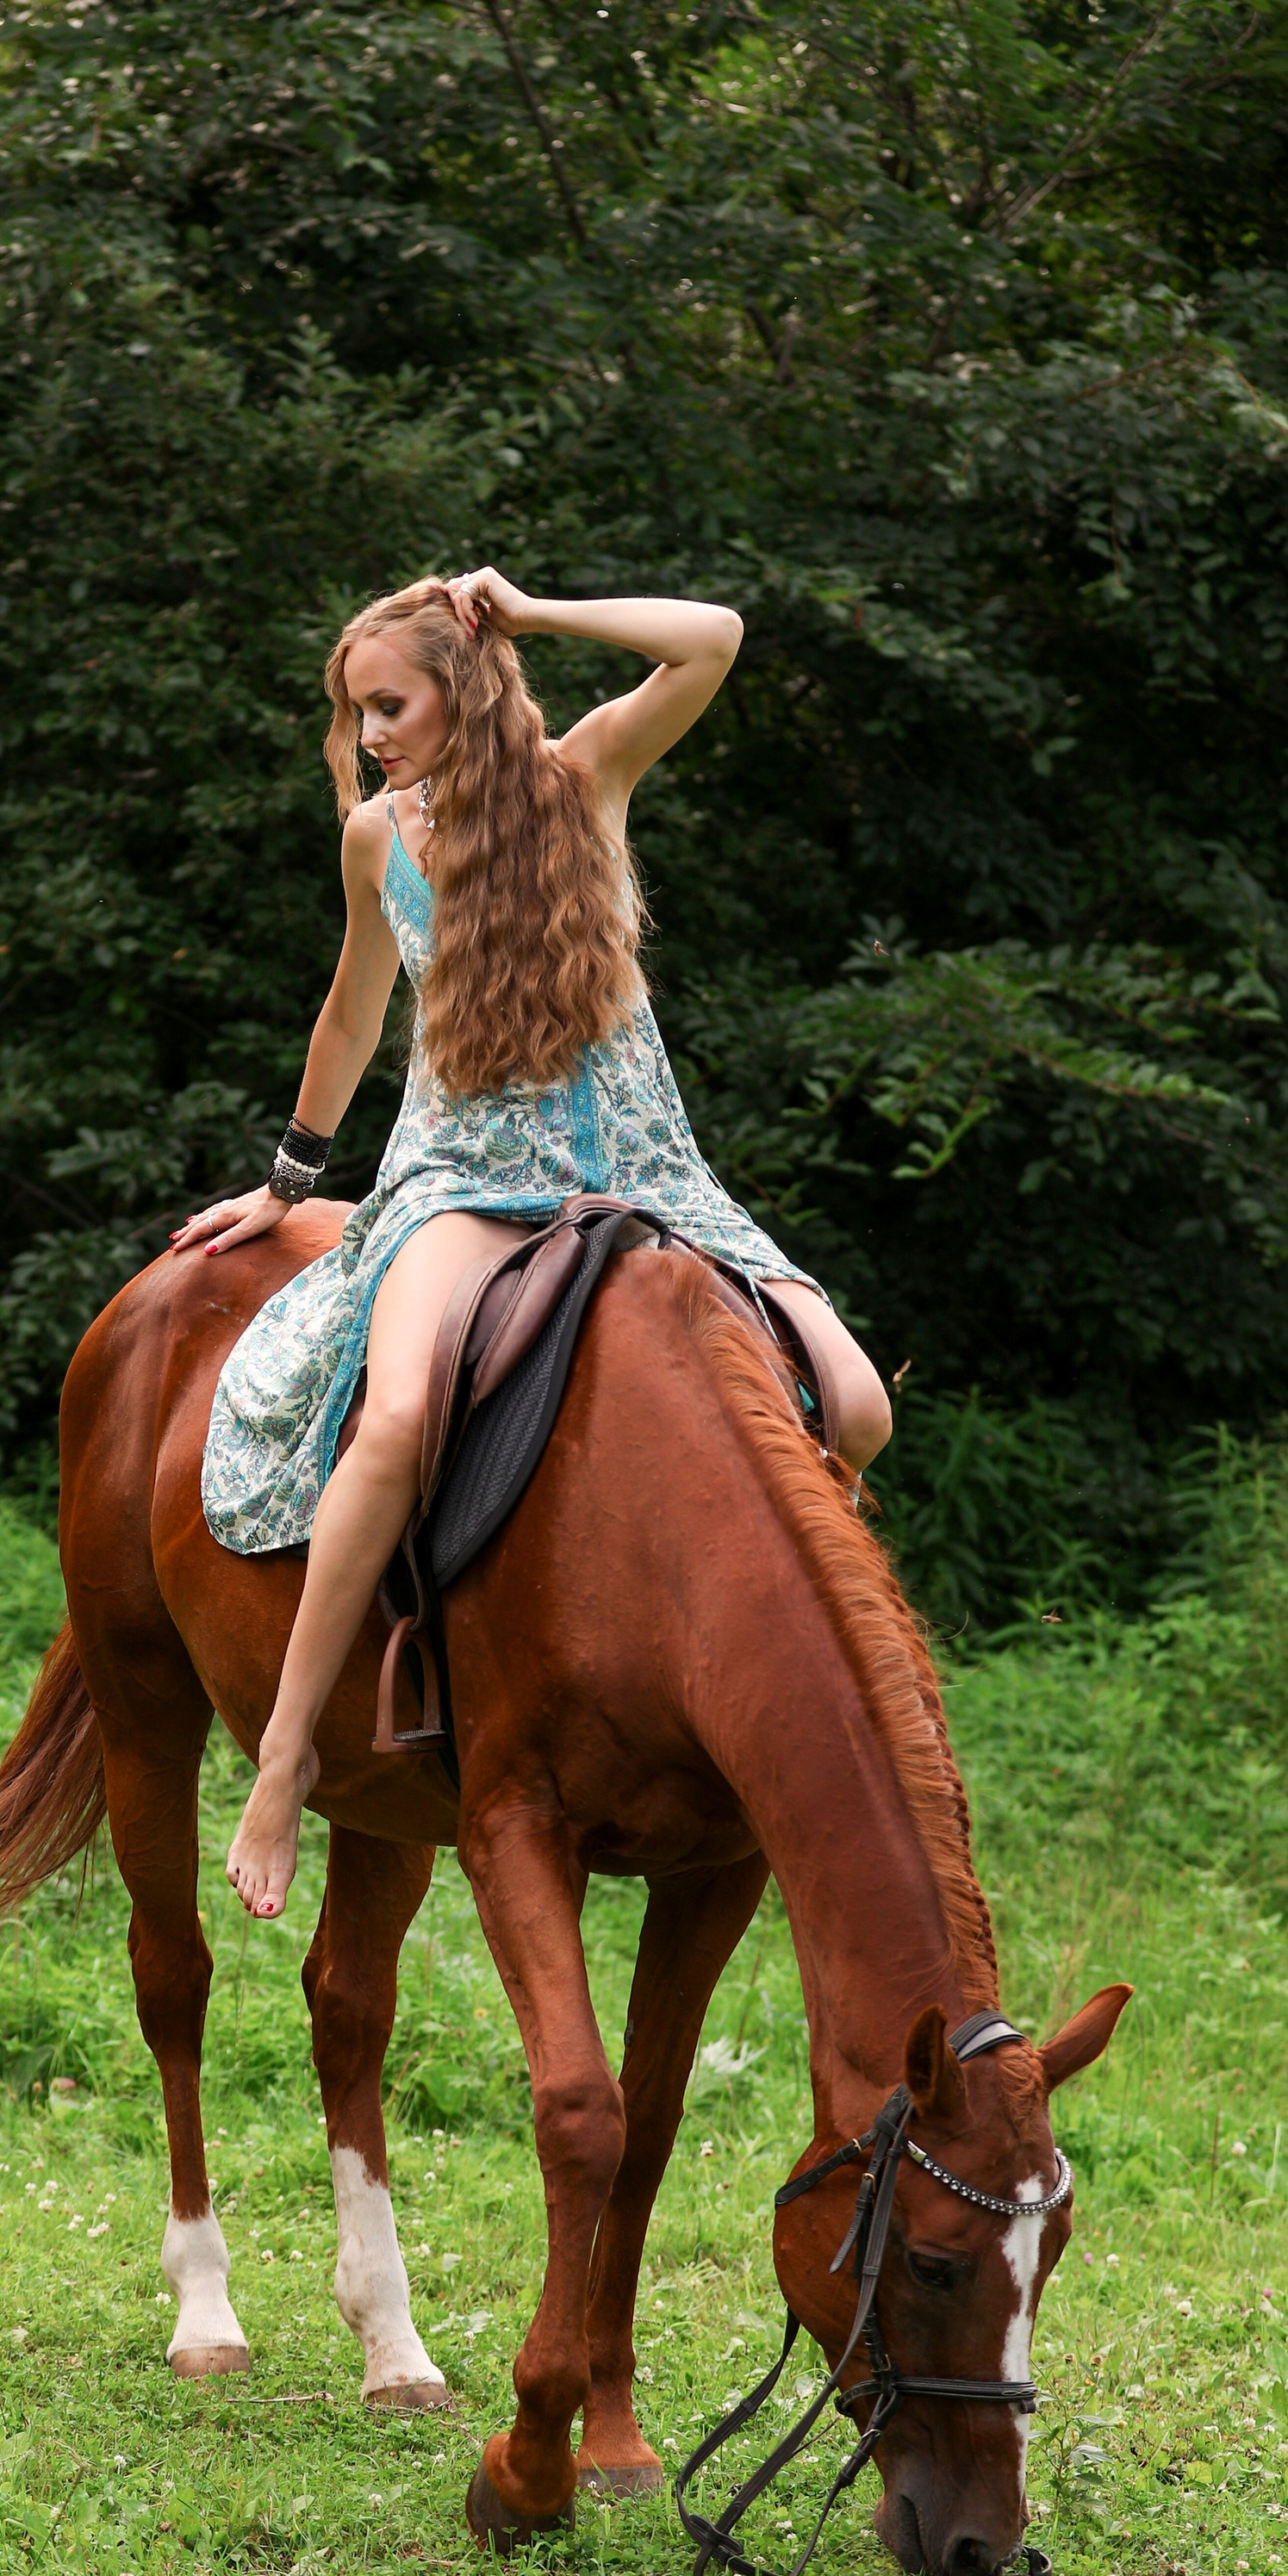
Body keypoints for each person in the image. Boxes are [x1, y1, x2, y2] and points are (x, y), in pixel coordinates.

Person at [171, 569, 892, 1920]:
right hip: (464, 1177)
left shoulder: (584, 778)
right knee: (391, 1424)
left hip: (642, 1167)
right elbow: (349, 1020)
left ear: (463, 683)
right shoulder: (381, 838)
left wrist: (535, 608)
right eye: (355, 711)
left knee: (856, 1403)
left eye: (389, 702)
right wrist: (287, 1184)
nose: (370, 730)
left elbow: (717, 640)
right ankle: (281, 1760)